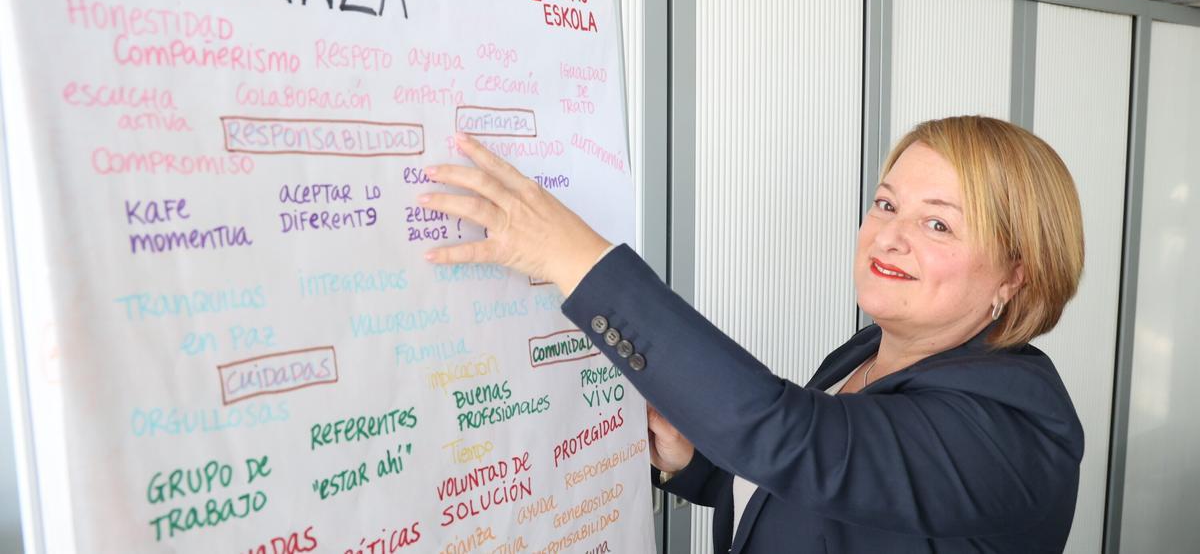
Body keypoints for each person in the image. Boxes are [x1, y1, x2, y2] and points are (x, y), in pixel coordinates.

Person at [419, 115, 1085, 552]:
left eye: (937, 223)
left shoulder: (1016, 428)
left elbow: (793, 437)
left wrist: (573, 259)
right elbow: (819, 490)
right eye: (886, 203)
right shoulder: (867, 351)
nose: (889, 234)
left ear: (1014, 277)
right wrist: (694, 462)